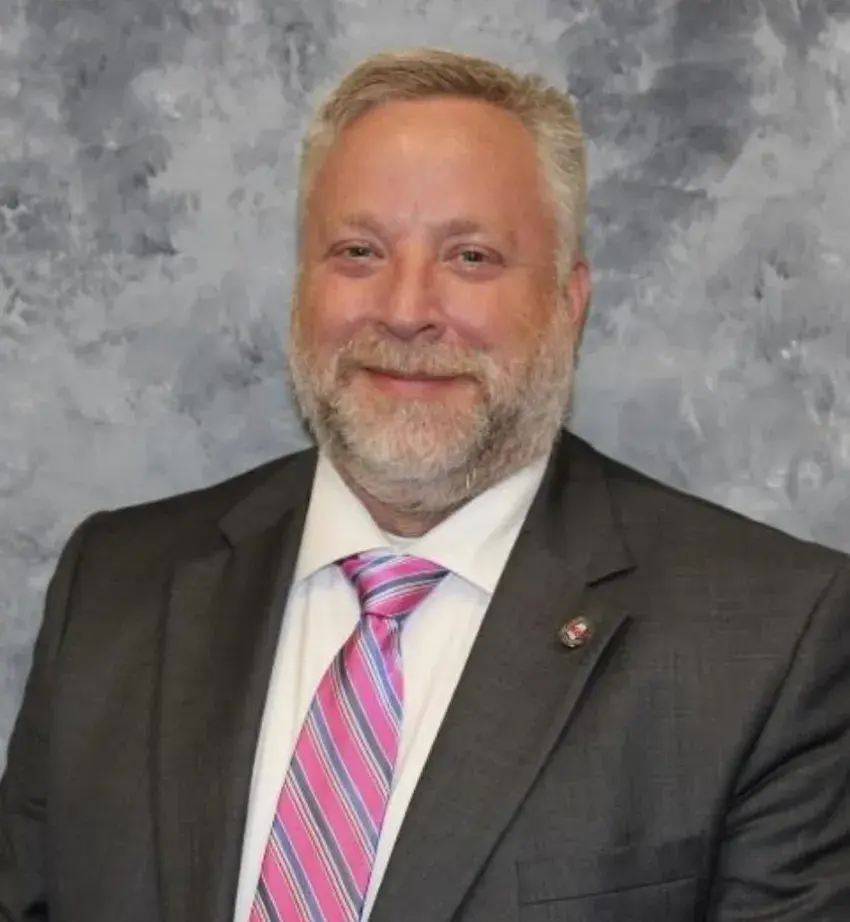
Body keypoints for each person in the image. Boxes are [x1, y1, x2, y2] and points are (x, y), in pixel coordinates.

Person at [1, 47, 849, 922]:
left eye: (471, 257)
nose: (406, 311)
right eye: (359, 251)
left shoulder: (772, 641)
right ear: (301, 286)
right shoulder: (113, 585)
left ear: (569, 301)